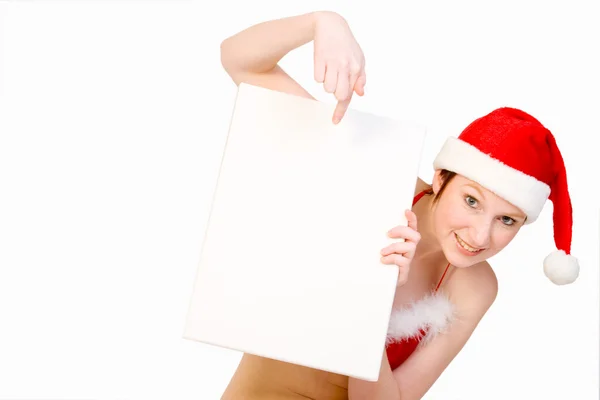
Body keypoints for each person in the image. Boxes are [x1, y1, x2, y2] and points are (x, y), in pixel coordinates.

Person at [218, 10, 579, 400]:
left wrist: (375, 298)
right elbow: (239, 61)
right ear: (442, 177)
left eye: (507, 219)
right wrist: (322, 22)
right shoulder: (376, 177)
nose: (480, 236)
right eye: (471, 200)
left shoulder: (474, 286)